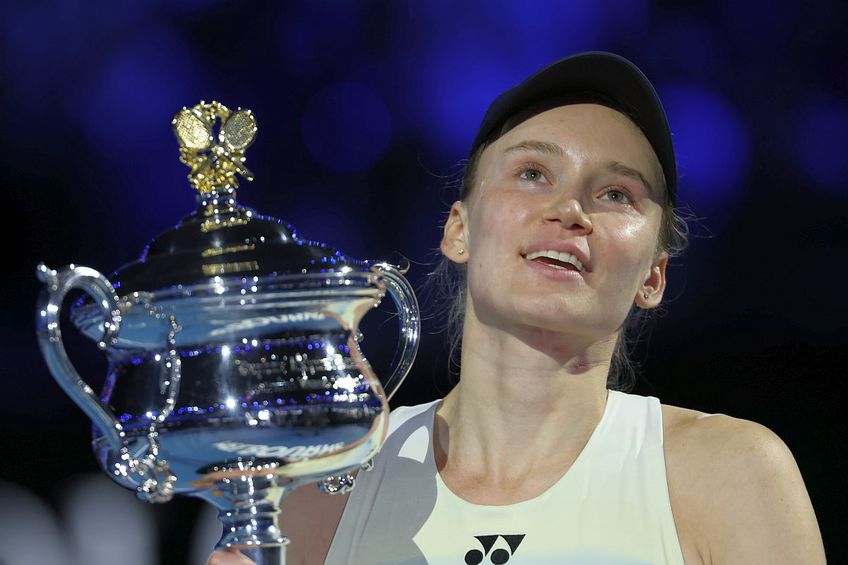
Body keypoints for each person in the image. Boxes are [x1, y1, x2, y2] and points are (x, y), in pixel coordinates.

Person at [209, 52, 826, 565]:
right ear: (459, 230)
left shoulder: (729, 476)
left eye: (617, 193)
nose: (570, 210)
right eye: (533, 173)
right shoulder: (324, 493)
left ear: (653, 276)